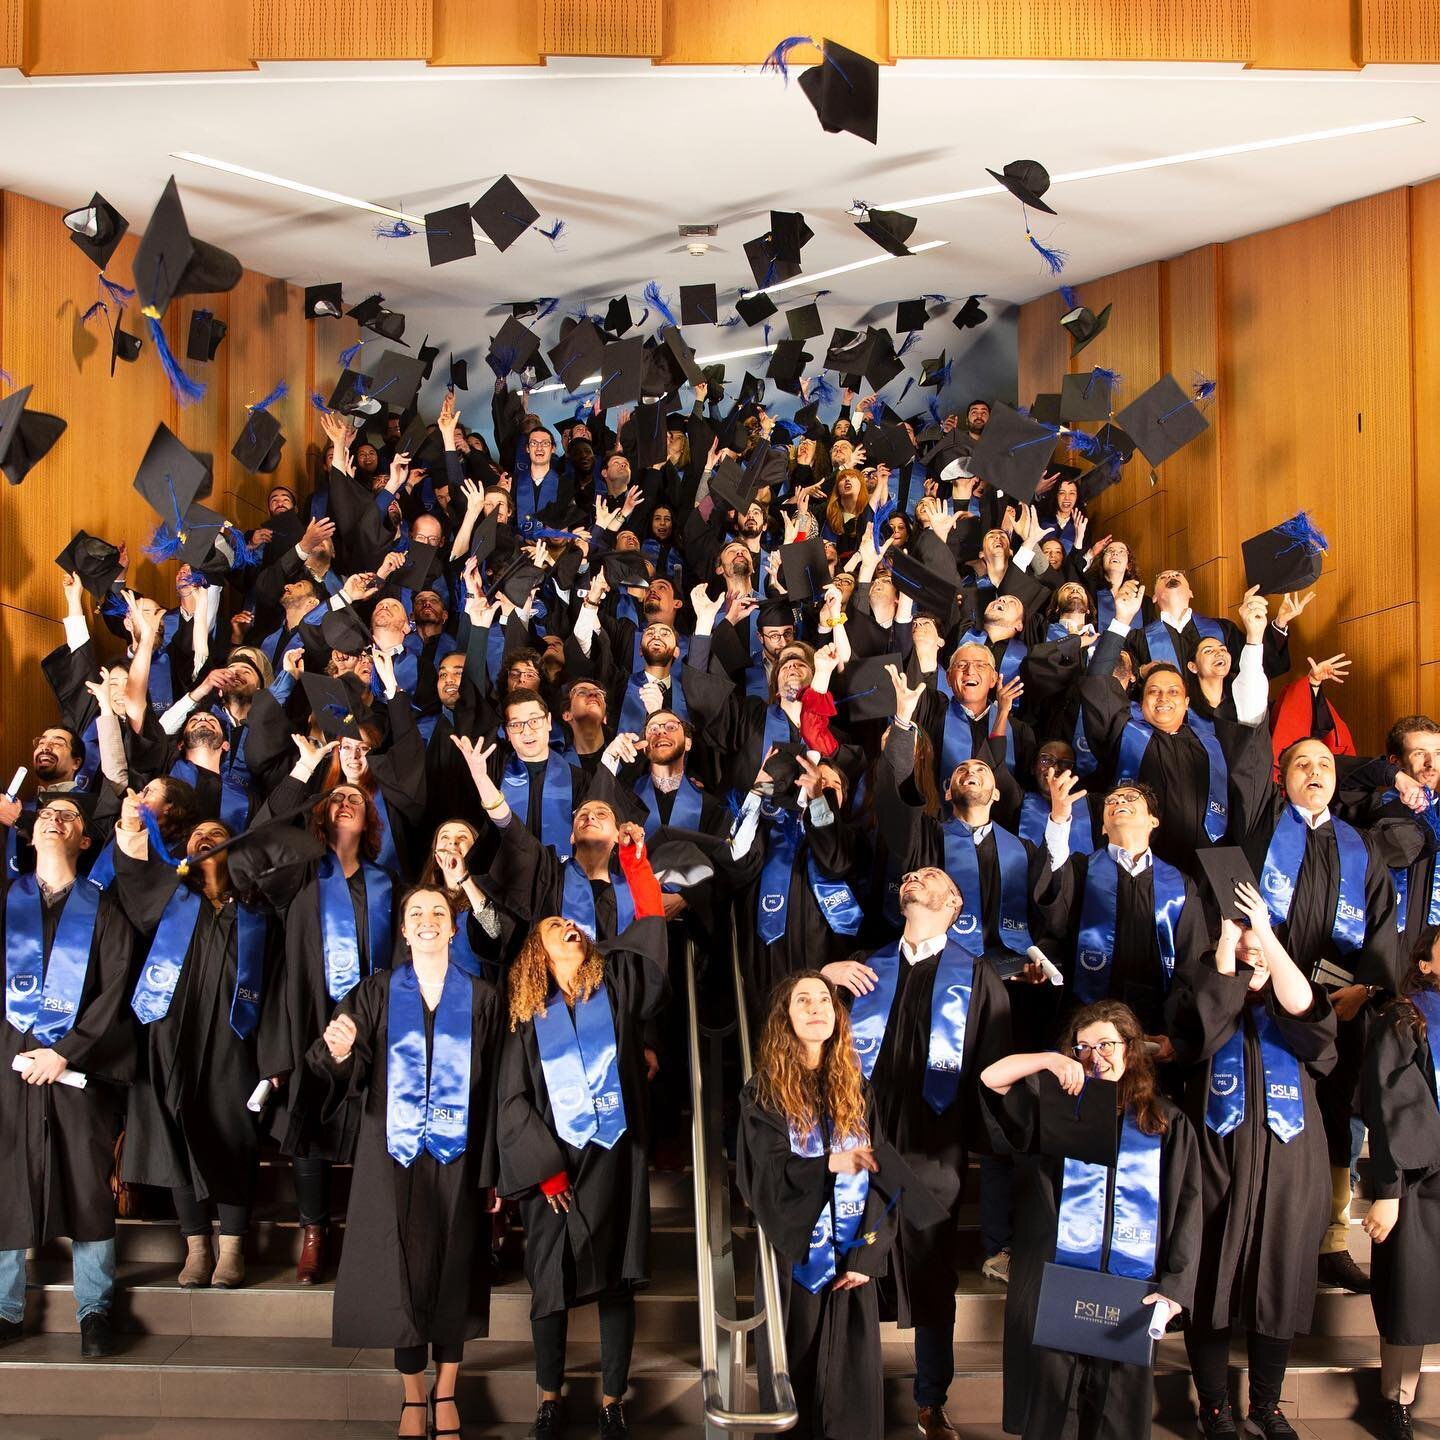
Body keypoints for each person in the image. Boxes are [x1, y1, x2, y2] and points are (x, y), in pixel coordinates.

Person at [823, 865, 1012, 1439]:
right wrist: (823, 976)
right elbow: (801, 1033)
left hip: (934, 1148)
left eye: (932, 875)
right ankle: (841, 1396)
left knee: (931, 1276)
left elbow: (994, 1073)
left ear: (954, 906)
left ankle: (930, 1400)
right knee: (846, 1265)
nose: (915, 877)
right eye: (909, 874)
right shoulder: (859, 969)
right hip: (858, 1141)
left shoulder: (978, 979)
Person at [313, 885, 503, 1440]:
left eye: (438, 913)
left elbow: (495, 1088)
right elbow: (337, 1061)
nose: (426, 920)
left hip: (460, 1155)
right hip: (390, 1152)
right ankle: (412, 1396)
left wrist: (493, 1168)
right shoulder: (374, 993)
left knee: (454, 1265)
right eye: (415, 913)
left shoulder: (483, 999)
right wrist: (342, 1053)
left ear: (452, 928)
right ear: (403, 929)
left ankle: (446, 1389)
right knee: (401, 1269)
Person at [497, 853, 668, 1440]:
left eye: (571, 925)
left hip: (615, 1159)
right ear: (536, 954)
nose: (569, 927)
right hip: (553, 1177)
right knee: (550, 1286)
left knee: (616, 1283)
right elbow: (512, 1100)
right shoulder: (525, 1017)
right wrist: (544, 1173)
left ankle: (613, 1401)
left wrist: (638, 868)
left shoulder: (615, 989)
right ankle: (550, 1397)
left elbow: (649, 938)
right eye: (553, 927)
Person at [980, 1000, 1202, 1440]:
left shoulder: (1165, 1122)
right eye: (1082, 1047)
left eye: (1105, 1044)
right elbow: (991, 1079)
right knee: (1052, 1410)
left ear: (1130, 1048)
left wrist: (1177, 1287)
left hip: (1131, 1292)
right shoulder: (1054, 1110)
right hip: (1057, 1284)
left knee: (1116, 1413)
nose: (1094, 1056)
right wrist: (1048, 1060)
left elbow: (1189, 1210)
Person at [1166, 884, 1337, 1439]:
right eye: (1241, 927)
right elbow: (1200, 1035)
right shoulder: (1199, 985)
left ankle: (1267, 1405)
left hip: (1289, 1162)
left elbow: (1311, 1022)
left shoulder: (1289, 993)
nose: (1252, 939)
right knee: (1209, 1276)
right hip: (1214, 1159)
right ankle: (1213, 1406)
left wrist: (1266, 935)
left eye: (1261, 928)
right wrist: (1224, 951)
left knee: (1280, 1278)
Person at [112, 801, 284, 1291]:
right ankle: (196, 1245)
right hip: (168, 1038)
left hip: (234, 1042)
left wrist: (272, 1059)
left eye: (216, 833)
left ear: (235, 851)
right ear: (184, 851)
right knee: (176, 1133)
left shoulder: (257, 914)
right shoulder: (168, 900)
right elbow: (132, 881)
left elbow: (275, 987)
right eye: (197, 835)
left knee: (233, 1137)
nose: (206, 838)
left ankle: (231, 1246)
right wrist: (128, 825)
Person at [0, 794, 136, 1357]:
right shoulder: (6, 902)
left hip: (79, 1071)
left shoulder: (103, 910)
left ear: (85, 839)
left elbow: (115, 991)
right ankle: (6, 1309)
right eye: (46, 813)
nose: (55, 818)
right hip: (7, 1064)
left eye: (70, 815)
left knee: (86, 1182)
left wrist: (67, 1052)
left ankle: (95, 1310)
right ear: (30, 834)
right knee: (5, 1180)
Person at [737, 971, 896, 1440]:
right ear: (785, 1018)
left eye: (823, 999)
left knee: (851, 1392)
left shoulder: (858, 1089)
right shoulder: (763, 1092)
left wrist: (868, 1253)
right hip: (796, 1260)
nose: (815, 1007)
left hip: (852, 1261)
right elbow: (763, 1173)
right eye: (802, 1000)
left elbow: (885, 1177)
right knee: (796, 1382)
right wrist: (830, 1163)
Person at [1360, 926, 1440, 1440]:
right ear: (1426, 964)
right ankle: (1398, 1403)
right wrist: (1387, 1193)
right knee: (1411, 1296)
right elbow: (1388, 1110)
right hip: (1422, 1178)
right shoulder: (1406, 1017)